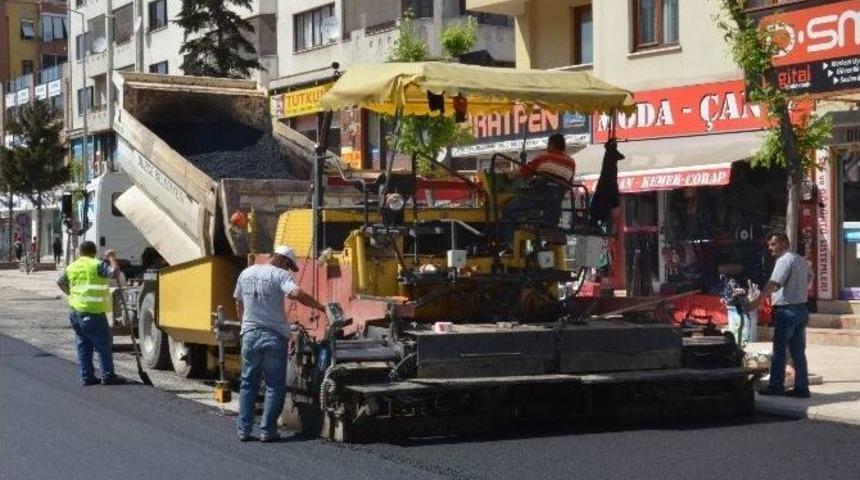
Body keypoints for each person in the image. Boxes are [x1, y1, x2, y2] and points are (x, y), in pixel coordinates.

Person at [233, 245, 327, 442]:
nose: (287, 270)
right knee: (274, 385)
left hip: (250, 335)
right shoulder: (279, 275)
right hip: (274, 336)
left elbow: (238, 303)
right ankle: (267, 431)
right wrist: (319, 306)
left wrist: (245, 326)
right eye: (288, 266)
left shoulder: (246, 272)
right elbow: (296, 294)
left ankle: (244, 430)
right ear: (284, 260)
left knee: (248, 383)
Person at [748, 231, 811, 398]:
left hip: (787, 311)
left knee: (779, 351)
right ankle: (802, 388)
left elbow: (772, 284)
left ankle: (776, 386)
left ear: (783, 242)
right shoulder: (800, 259)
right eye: (769, 245)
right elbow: (810, 279)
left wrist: (756, 303)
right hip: (801, 309)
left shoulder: (784, 260)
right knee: (798, 351)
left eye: (773, 244)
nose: (770, 248)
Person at [57, 241, 127, 386]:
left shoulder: (71, 267)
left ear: (80, 252)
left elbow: (61, 282)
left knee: (83, 344)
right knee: (103, 344)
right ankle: (108, 375)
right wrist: (112, 257)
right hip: (93, 312)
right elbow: (114, 273)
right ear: (94, 252)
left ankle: (87, 376)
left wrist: (72, 294)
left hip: (76, 312)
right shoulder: (96, 265)